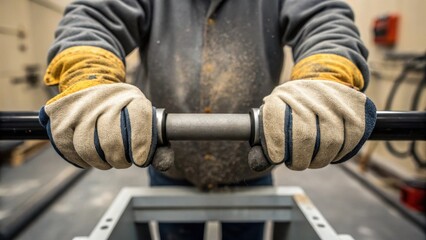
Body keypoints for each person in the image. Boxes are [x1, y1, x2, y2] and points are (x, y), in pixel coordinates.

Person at [38, 0, 377, 239]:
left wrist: (325, 78)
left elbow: (325, 19)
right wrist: (89, 78)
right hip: (173, 169)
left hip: (250, 168)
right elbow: (94, 16)